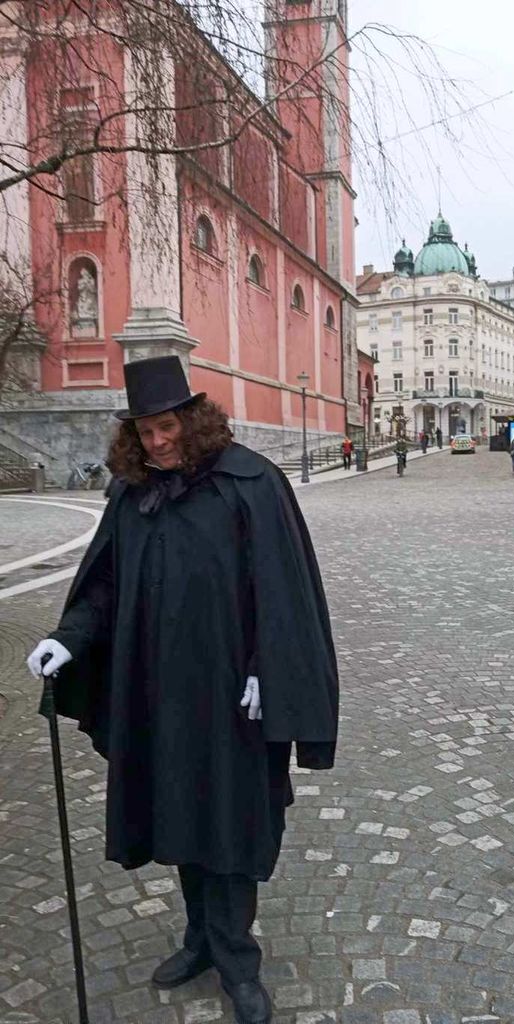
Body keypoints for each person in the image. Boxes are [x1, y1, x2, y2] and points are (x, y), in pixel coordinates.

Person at [27, 355, 338, 1024]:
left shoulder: (250, 482)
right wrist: (69, 637)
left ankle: (237, 961)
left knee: (231, 822)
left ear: (193, 421)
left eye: (167, 427)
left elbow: (280, 589)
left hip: (231, 697)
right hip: (157, 691)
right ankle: (199, 939)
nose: (158, 442)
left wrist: (266, 667)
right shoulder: (132, 492)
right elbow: (105, 583)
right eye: (144, 432)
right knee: (177, 810)